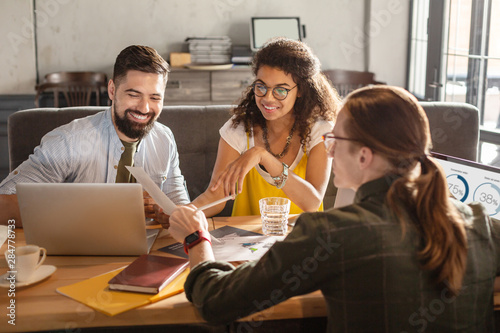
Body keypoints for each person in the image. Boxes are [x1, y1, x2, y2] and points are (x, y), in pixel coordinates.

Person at [168, 85, 500, 331]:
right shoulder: (480, 222)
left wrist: (196, 239)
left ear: (364, 156)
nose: (327, 152)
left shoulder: (333, 231)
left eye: (335, 141)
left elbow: (217, 302)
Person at [0, 45, 190, 227]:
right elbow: (4, 206)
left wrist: (175, 215)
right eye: (134, 94)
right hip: (78, 251)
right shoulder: (70, 141)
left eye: (155, 98)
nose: (144, 108)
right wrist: (110, 206)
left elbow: (178, 201)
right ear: (112, 90)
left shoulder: (164, 138)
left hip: (148, 252)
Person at [190, 37, 340, 217]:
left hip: (301, 236)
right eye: (261, 87)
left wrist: (262, 156)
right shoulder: (238, 128)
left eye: (280, 90)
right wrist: (182, 212)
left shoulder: (319, 129)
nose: (268, 98)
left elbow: (312, 202)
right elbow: (215, 196)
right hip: (244, 240)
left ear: (300, 90)